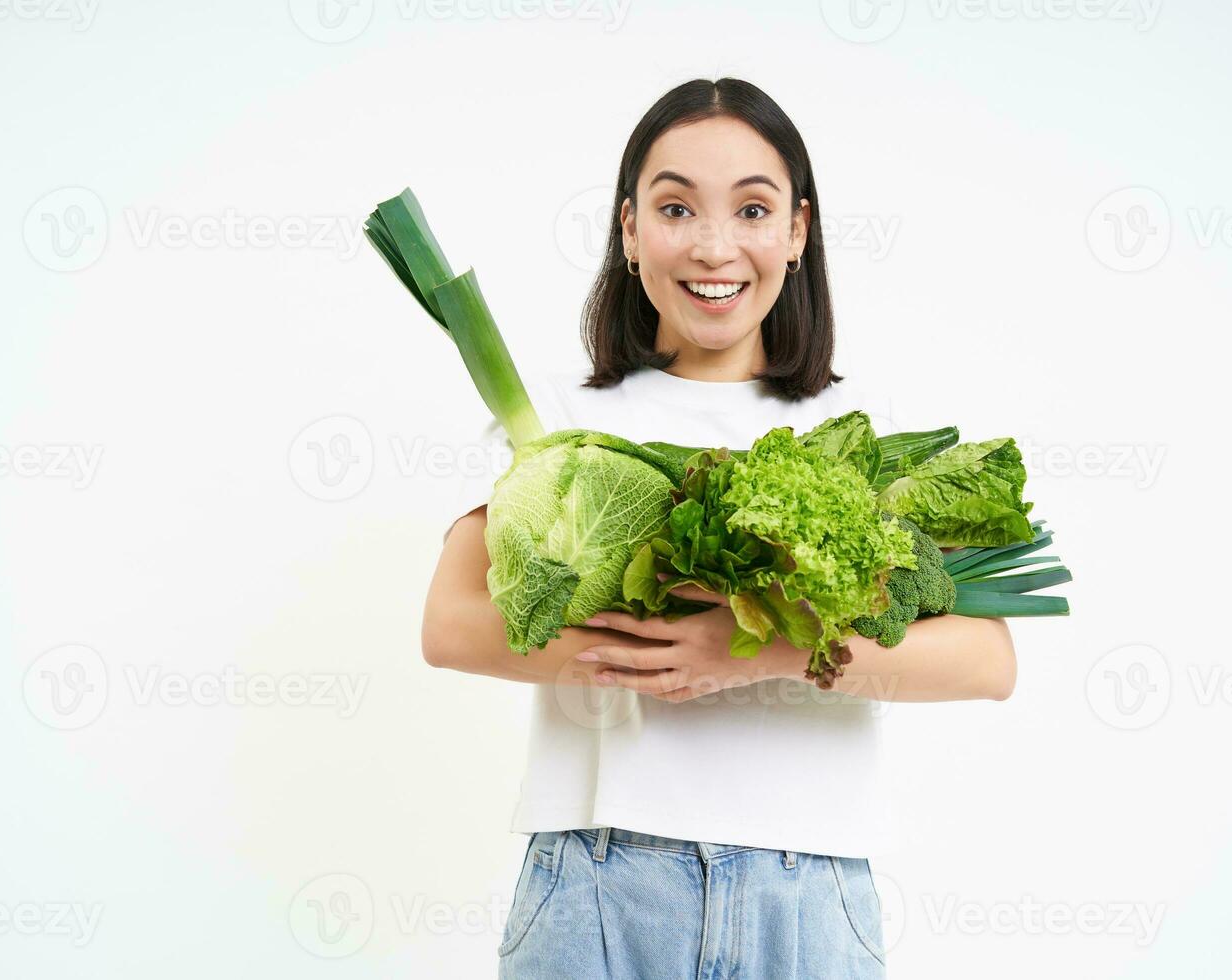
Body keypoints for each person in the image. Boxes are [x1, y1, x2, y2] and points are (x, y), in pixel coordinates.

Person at [421, 77, 1018, 980]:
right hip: (597, 882)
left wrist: (758, 651)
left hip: (807, 892)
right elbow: (451, 625)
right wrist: (664, 641)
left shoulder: (863, 429)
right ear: (629, 230)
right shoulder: (554, 421)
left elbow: (985, 658)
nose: (713, 246)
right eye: (674, 207)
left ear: (797, 231)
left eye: (751, 208)